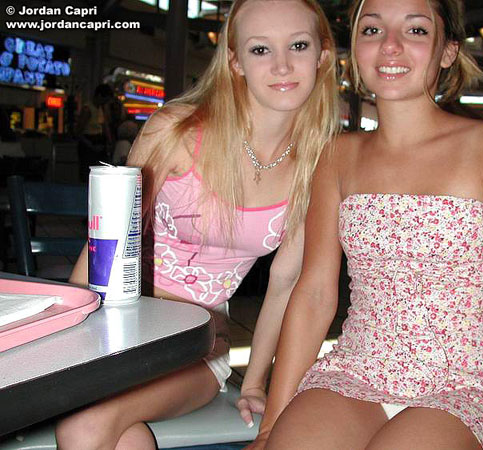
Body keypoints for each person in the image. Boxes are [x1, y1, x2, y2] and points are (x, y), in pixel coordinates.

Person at [252, 0, 483, 448]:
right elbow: (313, 294)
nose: (390, 46)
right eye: (372, 30)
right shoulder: (337, 155)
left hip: (462, 385)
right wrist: (271, 426)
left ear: (448, 50)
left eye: (416, 30)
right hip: (355, 371)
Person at [56, 0, 338, 448]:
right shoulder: (177, 132)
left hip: (199, 342)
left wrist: (254, 382)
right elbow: (106, 240)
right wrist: (67, 339)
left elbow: (285, 283)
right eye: (261, 49)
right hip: (120, 323)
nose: (282, 65)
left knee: (84, 423)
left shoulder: (319, 164)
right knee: (113, 434)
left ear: (322, 55)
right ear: (235, 61)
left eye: (298, 45)